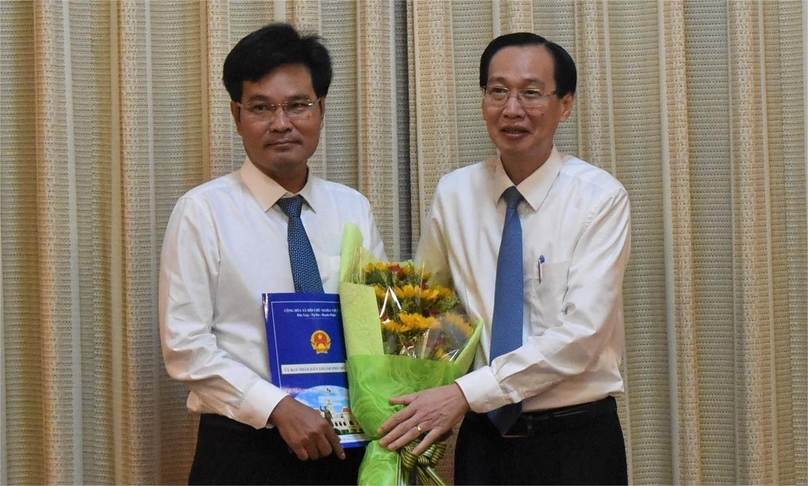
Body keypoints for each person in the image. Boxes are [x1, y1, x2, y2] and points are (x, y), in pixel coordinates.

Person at [377, 32, 631, 485]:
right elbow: (429, 308)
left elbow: (584, 334)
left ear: (565, 104)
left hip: (575, 440)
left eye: (531, 93)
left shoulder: (599, 198)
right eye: (498, 91)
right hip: (484, 439)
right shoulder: (454, 194)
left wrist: (463, 392)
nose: (512, 109)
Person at [159, 23, 386, 485]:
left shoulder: (352, 209)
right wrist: (276, 407)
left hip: (344, 446)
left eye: (297, 105)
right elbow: (185, 346)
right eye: (261, 107)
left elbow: (375, 327)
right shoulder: (203, 212)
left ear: (320, 110)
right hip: (244, 447)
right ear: (237, 115)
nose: (281, 123)